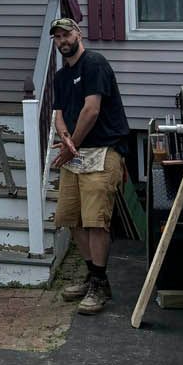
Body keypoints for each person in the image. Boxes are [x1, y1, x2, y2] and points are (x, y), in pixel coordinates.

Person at [49, 17, 131, 315]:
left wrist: (73, 146)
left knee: (96, 219)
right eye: (57, 37)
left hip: (103, 149)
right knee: (71, 217)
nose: (62, 41)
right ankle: (92, 276)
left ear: (78, 34)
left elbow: (91, 109)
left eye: (66, 34)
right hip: (76, 151)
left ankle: (100, 284)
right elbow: (59, 113)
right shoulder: (60, 76)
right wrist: (64, 136)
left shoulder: (94, 64)